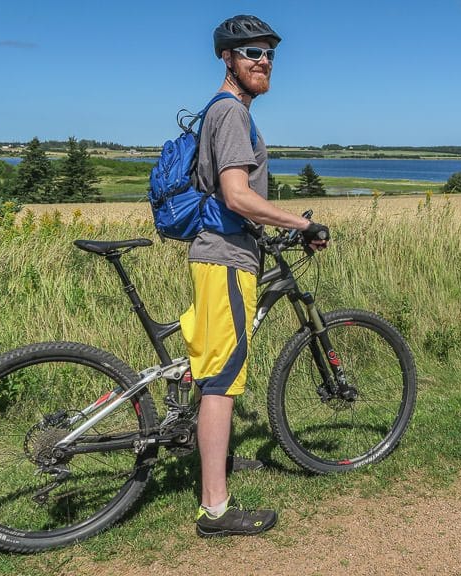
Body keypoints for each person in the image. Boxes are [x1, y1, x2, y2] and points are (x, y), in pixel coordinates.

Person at [182, 14, 329, 538]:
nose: (263, 61)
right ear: (228, 59)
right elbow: (237, 195)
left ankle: (214, 461)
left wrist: (263, 231)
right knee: (222, 379)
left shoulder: (226, 111)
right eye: (251, 53)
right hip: (224, 257)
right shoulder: (231, 114)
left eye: (268, 53)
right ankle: (215, 510)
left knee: (209, 365)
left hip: (224, 250)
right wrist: (301, 222)